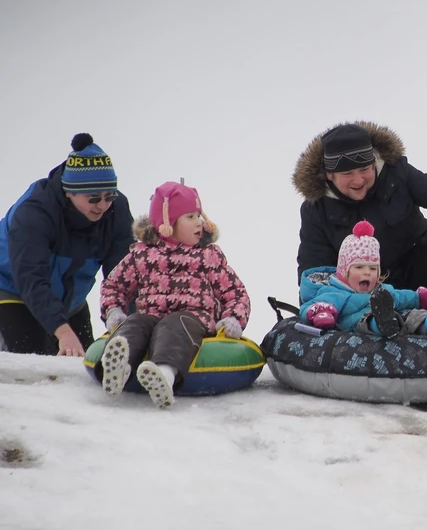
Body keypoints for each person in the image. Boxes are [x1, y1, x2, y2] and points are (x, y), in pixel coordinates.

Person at [294, 121, 427, 330]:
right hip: (362, 296)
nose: (358, 179)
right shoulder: (316, 209)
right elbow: (314, 274)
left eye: (364, 169)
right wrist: (320, 311)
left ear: (373, 163)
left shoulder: (397, 173)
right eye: (347, 174)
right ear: (329, 175)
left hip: (418, 279)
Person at [97, 181, 251, 409]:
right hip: (150, 316)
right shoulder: (142, 255)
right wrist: (114, 311)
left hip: (192, 318)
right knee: (135, 322)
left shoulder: (207, 256)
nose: (199, 222)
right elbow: (114, 286)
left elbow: (235, 293)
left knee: (175, 324)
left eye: (199, 216)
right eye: (190, 217)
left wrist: (233, 319)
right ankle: (120, 366)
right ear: (166, 223)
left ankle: (165, 374)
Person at [0, 133, 134, 357]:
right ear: (70, 191)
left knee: (87, 368)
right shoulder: (34, 211)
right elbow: (31, 278)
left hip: (71, 300)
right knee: (35, 364)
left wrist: (131, 323)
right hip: (13, 288)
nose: (102, 205)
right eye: (93, 197)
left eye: (109, 195)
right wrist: (62, 332)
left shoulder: (116, 210)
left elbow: (124, 277)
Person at [299, 221, 427, 338]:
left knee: (414, 317)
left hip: (393, 316)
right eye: (359, 267)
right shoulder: (333, 292)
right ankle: (384, 322)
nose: (367, 273)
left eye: (372, 268)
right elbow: (310, 307)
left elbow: (401, 297)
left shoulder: (380, 291)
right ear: (344, 271)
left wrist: (420, 297)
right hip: (357, 326)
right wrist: (322, 313)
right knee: (369, 321)